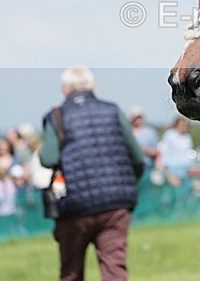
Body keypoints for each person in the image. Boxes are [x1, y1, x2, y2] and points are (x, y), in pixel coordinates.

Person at [40, 65, 146, 281]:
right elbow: (137, 158)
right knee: (114, 269)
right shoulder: (113, 110)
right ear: (93, 87)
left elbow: (48, 159)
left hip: (74, 207)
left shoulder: (56, 116)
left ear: (65, 90)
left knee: (71, 271)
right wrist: (126, 185)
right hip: (115, 204)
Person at [157, 117, 193, 187]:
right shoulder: (169, 135)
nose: (184, 127)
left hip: (185, 169)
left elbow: (188, 152)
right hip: (172, 169)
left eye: (185, 125)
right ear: (177, 125)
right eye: (182, 125)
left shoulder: (187, 137)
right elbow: (162, 149)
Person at [129, 107, 159, 171]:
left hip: (147, 167)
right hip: (131, 167)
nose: (138, 120)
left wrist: (147, 151)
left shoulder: (150, 132)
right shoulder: (128, 132)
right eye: (136, 118)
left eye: (139, 117)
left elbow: (157, 152)